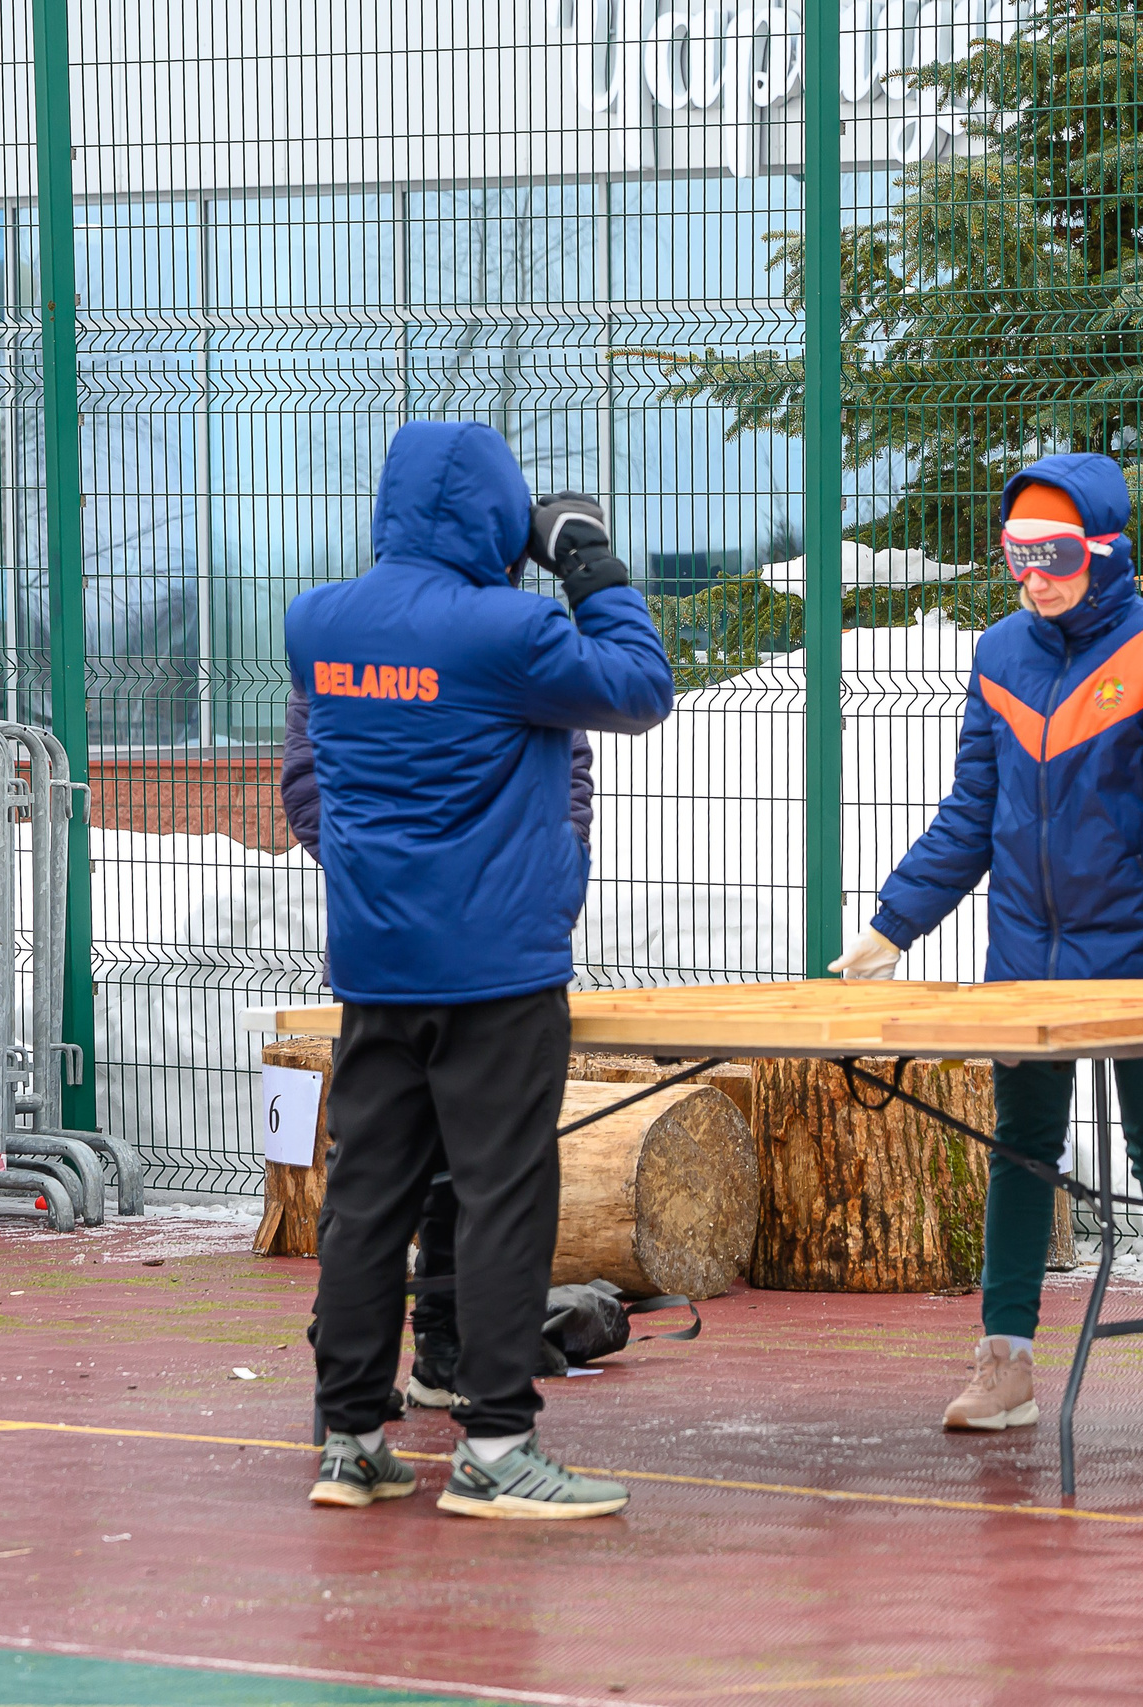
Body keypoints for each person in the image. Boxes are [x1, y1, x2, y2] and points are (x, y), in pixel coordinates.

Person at [287, 421, 673, 1516]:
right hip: (496, 966)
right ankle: (497, 1447)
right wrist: (588, 560)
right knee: (505, 1198)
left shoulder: (318, 622)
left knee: (368, 1199)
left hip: (376, 961)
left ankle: (352, 1438)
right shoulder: (509, 630)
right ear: (501, 516)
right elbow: (641, 690)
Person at [828, 453, 1143, 1432]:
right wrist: (894, 922)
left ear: (1103, 550)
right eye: (1016, 554)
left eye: (1053, 553)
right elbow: (970, 817)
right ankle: (1004, 1362)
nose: (1033, 575)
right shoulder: (999, 655)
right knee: (1020, 1151)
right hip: (1026, 957)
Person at [280, 694, 600, 1417]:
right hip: (395, 956)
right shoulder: (349, 639)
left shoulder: (511, 636)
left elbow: (567, 775)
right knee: (378, 1178)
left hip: (484, 956)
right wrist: (386, 878)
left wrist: (551, 882)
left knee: (464, 1177)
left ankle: (431, 1363)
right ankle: (368, 1391)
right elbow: (308, 784)